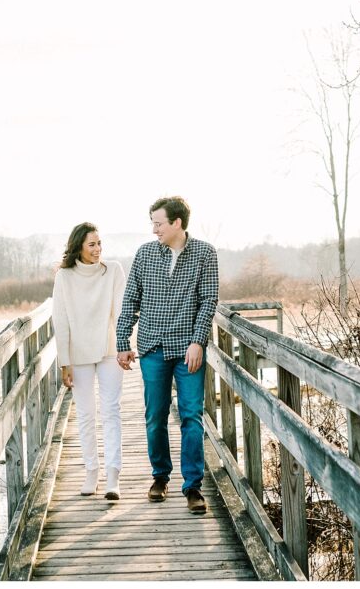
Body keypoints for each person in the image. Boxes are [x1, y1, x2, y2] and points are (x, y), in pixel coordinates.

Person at [116, 196, 219, 514]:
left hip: (188, 349)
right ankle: (160, 477)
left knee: (191, 417)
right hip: (152, 348)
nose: (154, 229)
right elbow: (131, 297)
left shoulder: (204, 253)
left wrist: (198, 341)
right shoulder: (146, 254)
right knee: (155, 416)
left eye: (158, 223)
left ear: (177, 223)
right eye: (152, 224)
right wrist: (122, 340)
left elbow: (209, 299)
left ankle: (192, 487)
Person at [52, 222, 126, 500]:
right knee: (85, 414)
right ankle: (91, 471)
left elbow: (121, 312)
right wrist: (64, 361)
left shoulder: (113, 271)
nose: (97, 249)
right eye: (91, 244)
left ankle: (113, 476)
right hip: (78, 353)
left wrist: (123, 346)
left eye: (99, 244)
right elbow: (60, 319)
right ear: (79, 247)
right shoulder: (64, 276)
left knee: (111, 411)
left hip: (109, 350)